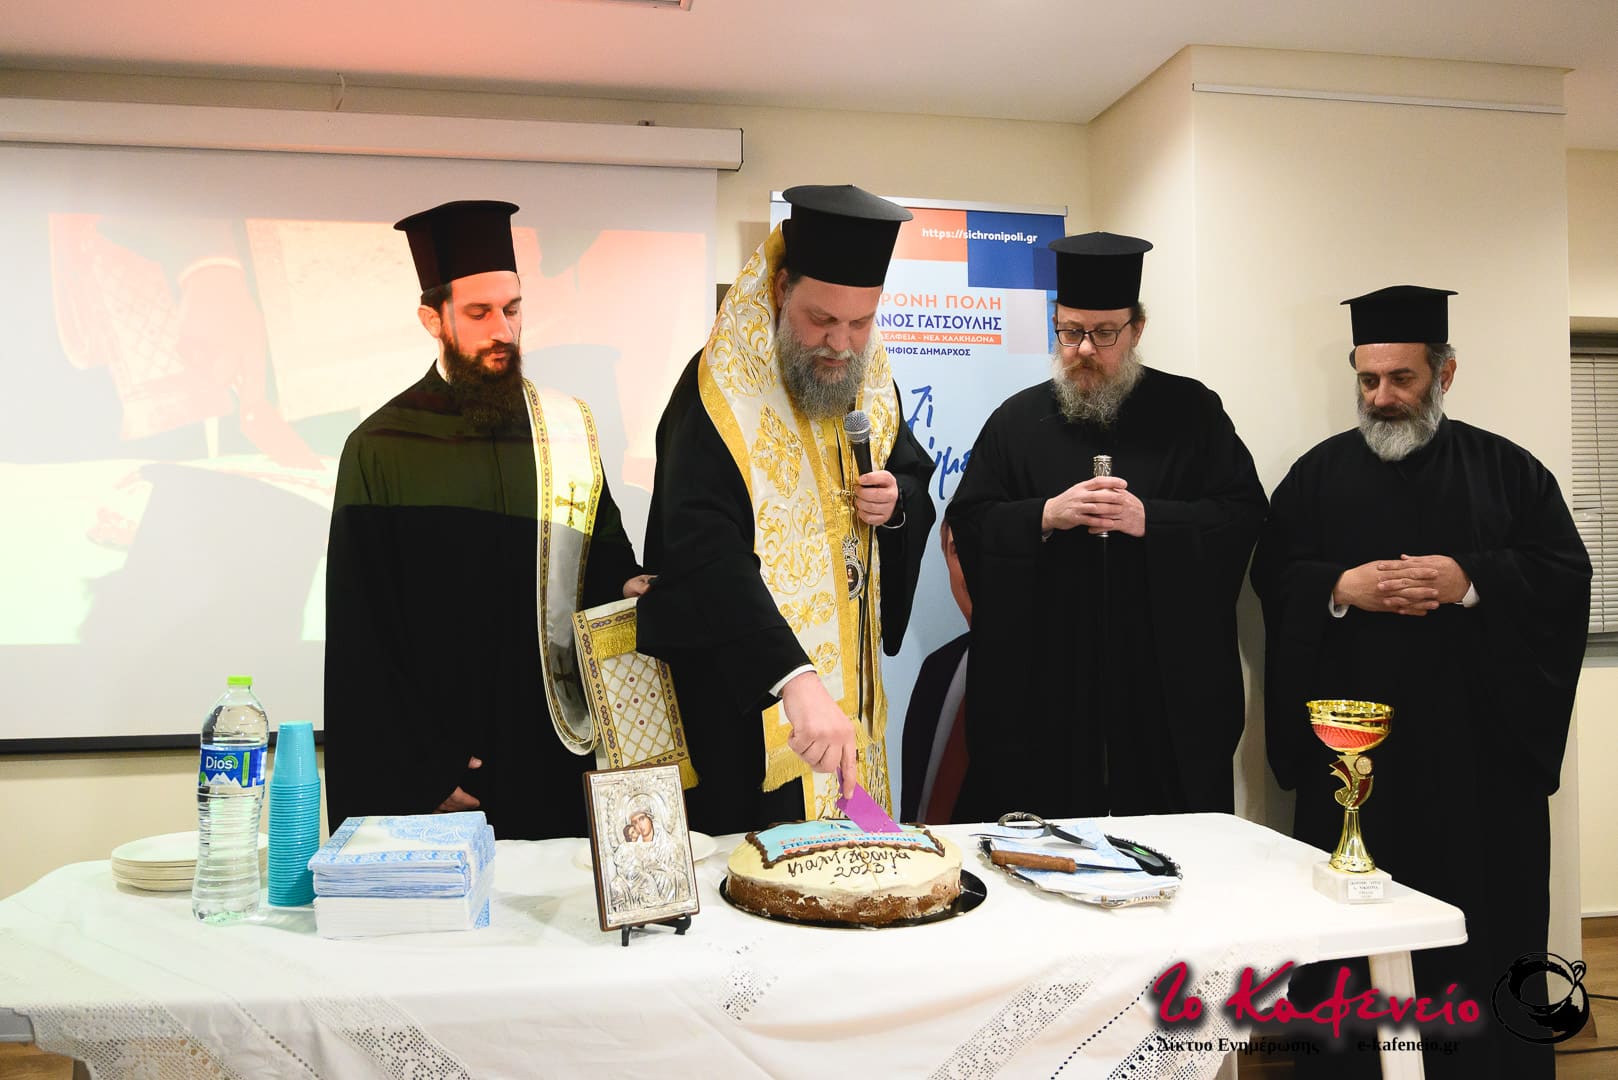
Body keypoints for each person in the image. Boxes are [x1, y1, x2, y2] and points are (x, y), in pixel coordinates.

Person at [1250, 285, 1590, 1078]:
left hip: (1479, 765)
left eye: (1401, 378)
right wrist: (1340, 587)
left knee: (1484, 925)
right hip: (1356, 772)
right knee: (1352, 934)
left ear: (1445, 374)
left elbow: (1563, 579)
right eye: (1368, 379)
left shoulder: (1510, 474)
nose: (1382, 397)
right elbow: (1274, 576)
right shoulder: (1317, 474)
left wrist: (1469, 581)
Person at [324, 200, 650, 840]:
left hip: (558, 756)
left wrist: (634, 586)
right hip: (448, 773)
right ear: (433, 319)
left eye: (513, 309)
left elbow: (604, 561)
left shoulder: (565, 429)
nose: (503, 329)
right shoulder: (381, 446)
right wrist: (421, 768)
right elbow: (364, 634)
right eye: (479, 313)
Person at [639, 184, 936, 835]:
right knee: (758, 874)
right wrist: (794, 677)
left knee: (856, 874)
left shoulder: (870, 379)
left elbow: (912, 476)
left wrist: (896, 504)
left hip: (849, 702)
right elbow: (703, 550)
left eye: (860, 323)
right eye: (822, 319)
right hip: (748, 710)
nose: (841, 344)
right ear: (779, 290)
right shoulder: (718, 393)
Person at [945, 232, 1266, 822]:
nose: (1084, 349)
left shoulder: (1192, 412)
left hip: (1161, 683)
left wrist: (1152, 520)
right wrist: (1045, 515)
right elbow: (969, 521)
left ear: (1136, 330)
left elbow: (1242, 514)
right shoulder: (1017, 421)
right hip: (1047, 686)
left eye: (1103, 333)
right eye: (1070, 332)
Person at [899, 520, 971, 823]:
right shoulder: (937, 669)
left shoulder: (1066, 683)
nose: (974, 567)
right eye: (959, 551)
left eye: (989, 548)